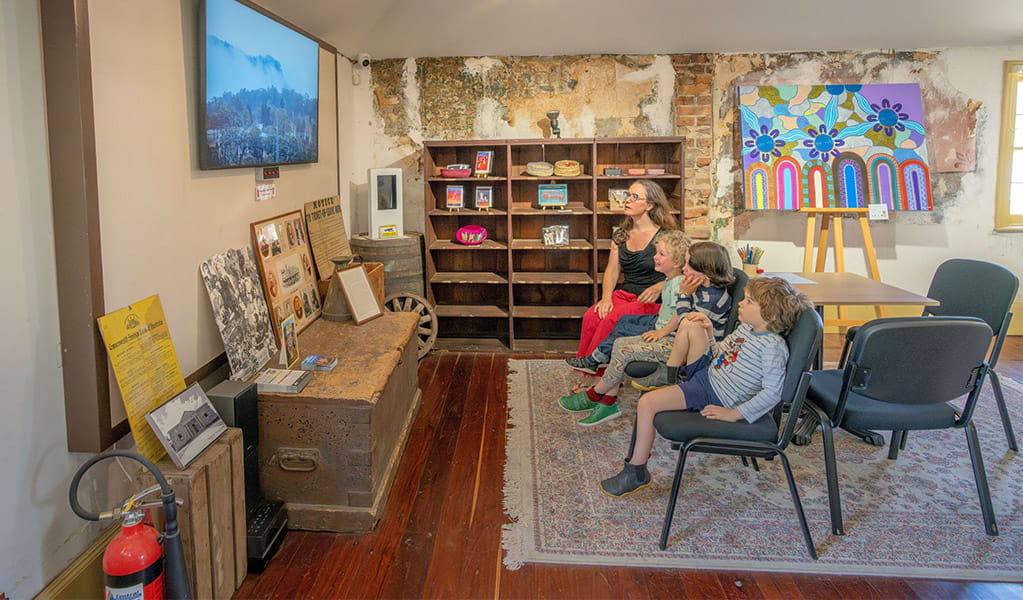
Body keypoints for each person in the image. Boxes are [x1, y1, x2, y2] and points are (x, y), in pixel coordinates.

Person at [597, 277, 813, 497]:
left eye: (748, 301)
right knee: (691, 323)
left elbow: (774, 393)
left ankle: (636, 470)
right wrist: (709, 331)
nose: (740, 303)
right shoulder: (746, 329)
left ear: (771, 315)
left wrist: (734, 414)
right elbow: (720, 352)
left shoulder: (772, 348)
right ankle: (669, 376)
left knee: (647, 403)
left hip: (714, 394)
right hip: (708, 376)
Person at [559, 241, 735, 426]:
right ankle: (607, 402)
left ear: (704, 269)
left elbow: (686, 323)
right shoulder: (700, 287)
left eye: (688, 264)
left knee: (625, 351)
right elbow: (679, 317)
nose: (684, 268)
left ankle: (596, 395)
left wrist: (683, 295)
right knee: (619, 343)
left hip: (688, 353)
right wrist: (663, 330)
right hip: (675, 341)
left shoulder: (712, 298)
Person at [574, 180, 679, 368]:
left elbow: (682, 272)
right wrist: (606, 298)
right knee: (593, 315)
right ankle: (586, 368)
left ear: (650, 205)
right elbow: (612, 270)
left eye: (634, 197)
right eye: (627, 195)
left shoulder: (666, 236)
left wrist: (659, 286)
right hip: (626, 293)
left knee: (612, 319)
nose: (627, 200)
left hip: (651, 300)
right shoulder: (621, 234)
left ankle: (597, 377)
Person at [567, 230, 691, 374]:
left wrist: (661, 332)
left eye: (661, 254)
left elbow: (680, 313)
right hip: (657, 320)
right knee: (624, 320)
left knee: (619, 328)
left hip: (663, 329)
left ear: (676, 262)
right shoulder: (669, 279)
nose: (654, 257)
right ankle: (597, 360)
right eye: (656, 252)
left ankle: (596, 359)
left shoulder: (678, 284)